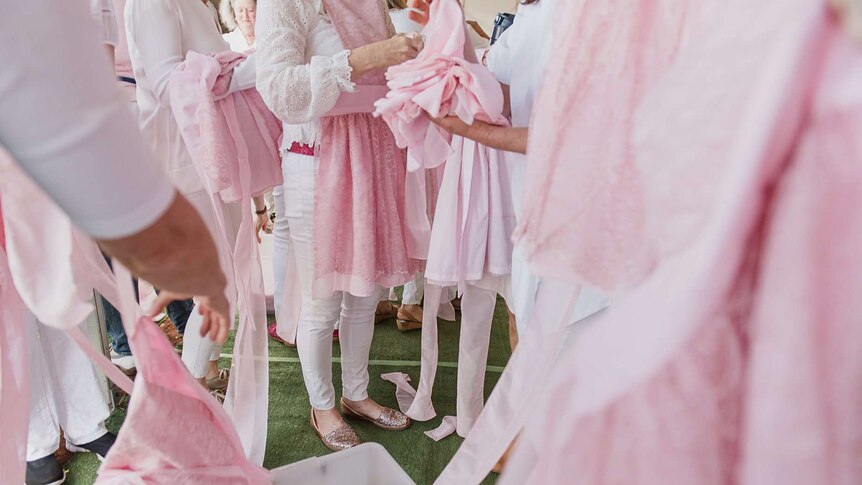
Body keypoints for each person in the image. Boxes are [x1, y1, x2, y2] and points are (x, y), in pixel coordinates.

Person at [0, 1, 232, 482]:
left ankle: (85, 421)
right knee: (11, 331)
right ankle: (37, 437)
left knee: (69, 307)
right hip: (30, 179)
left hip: (39, 186)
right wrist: (197, 268)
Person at [256, 0, 423, 450]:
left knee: (366, 293)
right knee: (322, 299)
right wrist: (368, 57)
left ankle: (357, 394)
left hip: (374, 159)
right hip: (316, 162)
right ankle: (323, 405)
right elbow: (278, 88)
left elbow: (394, 71)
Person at [125, 0, 266, 395]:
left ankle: (201, 384)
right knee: (216, 287)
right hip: (185, 165)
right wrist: (255, 68)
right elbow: (168, 83)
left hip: (211, 159)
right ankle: (191, 401)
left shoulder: (196, 5)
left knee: (225, 287)